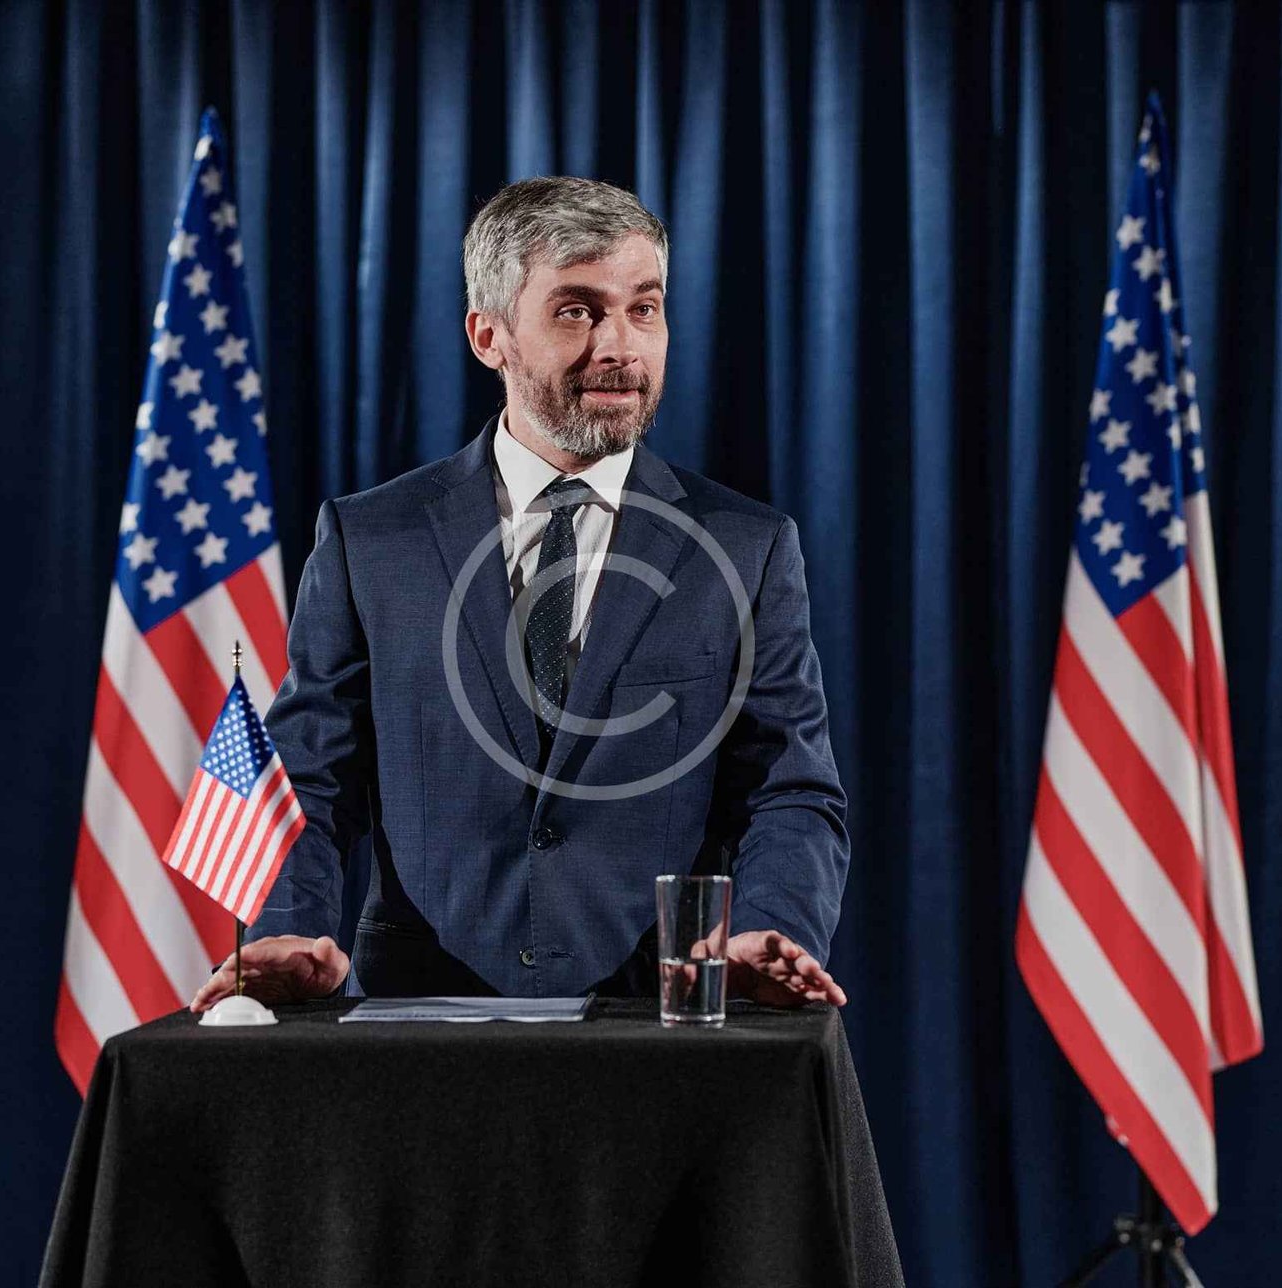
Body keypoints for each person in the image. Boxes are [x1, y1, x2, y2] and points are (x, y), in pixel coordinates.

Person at [192, 177, 849, 1013]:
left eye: (644, 309)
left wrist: (767, 930)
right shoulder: (372, 540)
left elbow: (790, 790)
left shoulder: (747, 547)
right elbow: (309, 781)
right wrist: (287, 929)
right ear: (488, 335)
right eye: (577, 311)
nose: (620, 346)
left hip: (661, 1024)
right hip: (420, 1023)